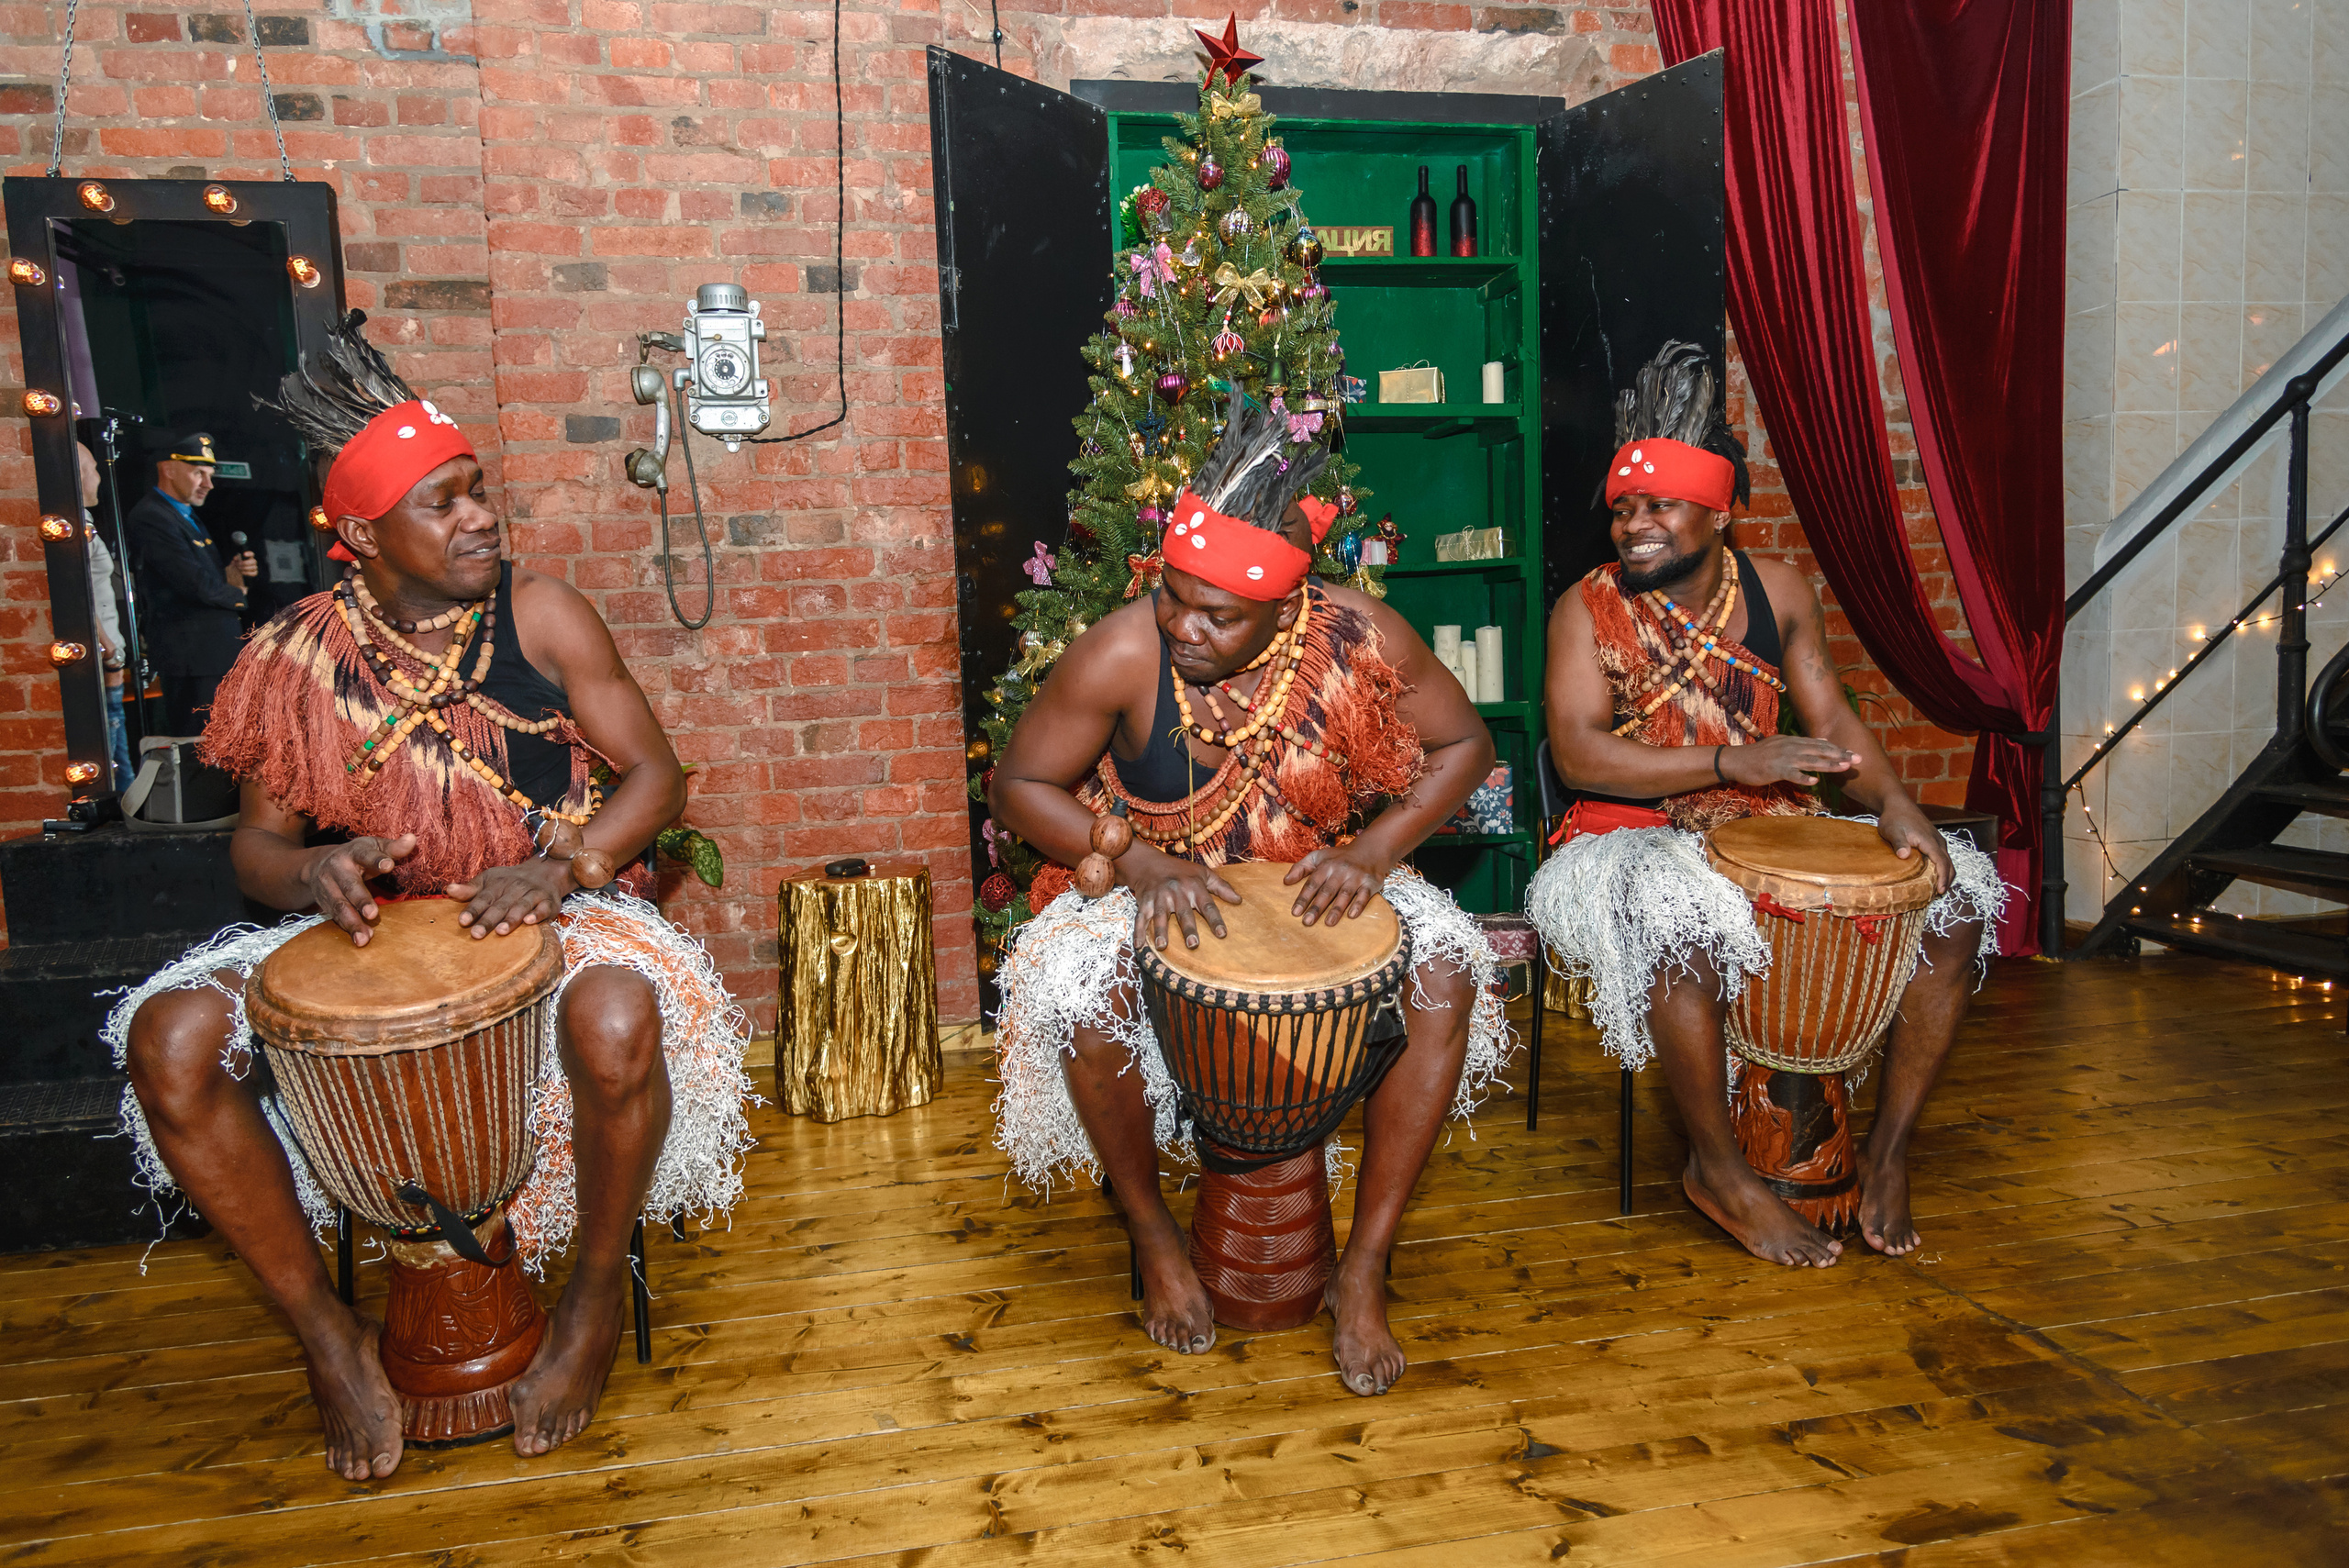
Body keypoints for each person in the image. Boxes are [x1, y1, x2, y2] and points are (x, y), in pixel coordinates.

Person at [103, 315, 752, 1482]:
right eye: (443, 502)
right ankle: (327, 1335)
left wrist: (564, 866)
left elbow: (657, 776)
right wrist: (312, 873)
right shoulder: (293, 657)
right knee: (171, 1038)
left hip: (556, 912)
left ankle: (592, 1296)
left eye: (479, 489)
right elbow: (256, 847)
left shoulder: (541, 614)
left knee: (617, 1015)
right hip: (377, 938)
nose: (480, 517)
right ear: (361, 534)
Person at [987, 401, 1513, 1398]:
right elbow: (1016, 786)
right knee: (1080, 995)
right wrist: (1138, 862)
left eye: (1217, 615)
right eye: (1173, 596)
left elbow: (1466, 745)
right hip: (1147, 876)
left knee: (1446, 971)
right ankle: (1153, 1235)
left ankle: (1366, 1263)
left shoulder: (1359, 638)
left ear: (1284, 605)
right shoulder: (1123, 652)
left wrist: (1374, 850)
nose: (1183, 626)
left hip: (1314, 879)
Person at [1526, 341, 2006, 1268]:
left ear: (1718, 512)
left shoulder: (1777, 589)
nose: (1634, 525)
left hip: (1770, 826)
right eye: (1623, 508)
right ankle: (1718, 1169)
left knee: (1954, 903)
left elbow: (1832, 724)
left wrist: (1896, 803)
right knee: (1682, 922)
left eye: (1659, 506)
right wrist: (1732, 759)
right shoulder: (1582, 609)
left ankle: (1889, 1150)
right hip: (1625, 834)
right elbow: (1580, 755)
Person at [120, 430, 257, 736]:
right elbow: (191, 583)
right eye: (198, 473)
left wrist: (231, 573)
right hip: (192, 658)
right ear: (168, 469)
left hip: (210, 655)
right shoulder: (153, 515)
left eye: (210, 475)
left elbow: (202, 577)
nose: (208, 484)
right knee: (201, 744)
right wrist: (237, 593)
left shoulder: (183, 514)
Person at [75, 440, 134, 790]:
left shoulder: (86, 523)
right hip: (102, 661)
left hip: (108, 658)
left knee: (121, 767)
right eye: (94, 469)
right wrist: (108, 650)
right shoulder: (77, 528)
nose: (99, 476)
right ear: (79, 474)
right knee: (110, 770)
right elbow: (79, 590)